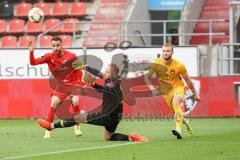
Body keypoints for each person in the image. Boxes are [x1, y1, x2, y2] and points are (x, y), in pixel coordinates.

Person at [38, 63, 148, 142]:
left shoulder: (112, 84)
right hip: (116, 117)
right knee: (108, 137)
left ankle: (51, 126)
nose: (103, 73)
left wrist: (93, 84)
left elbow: (107, 90)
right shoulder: (116, 79)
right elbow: (99, 74)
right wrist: (85, 67)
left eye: (106, 71)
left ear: (111, 73)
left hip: (107, 116)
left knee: (78, 117)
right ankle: (131, 137)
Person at [28, 36, 84, 138]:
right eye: (53, 46)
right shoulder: (49, 57)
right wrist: (31, 52)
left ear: (62, 45)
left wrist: (81, 83)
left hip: (74, 83)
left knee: (75, 100)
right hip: (61, 85)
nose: (55, 48)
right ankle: (48, 129)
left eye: (57, 45)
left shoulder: (71, 56)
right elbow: (33, 63)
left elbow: (80, 69)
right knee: (54, 102)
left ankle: (77, 126)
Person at [145, 43, 201, 139]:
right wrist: (152, 89)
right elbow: (147, 77)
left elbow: (188, 80)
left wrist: (195, 94)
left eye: (168, 51)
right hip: (166, 92)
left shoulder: (179, 65)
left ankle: (178, 129)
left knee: (176, 103)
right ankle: (186, 123)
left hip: (178, 87)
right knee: (176, 111)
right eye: (164, 51)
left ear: (172, 52)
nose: (165, 53)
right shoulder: (156, 64)